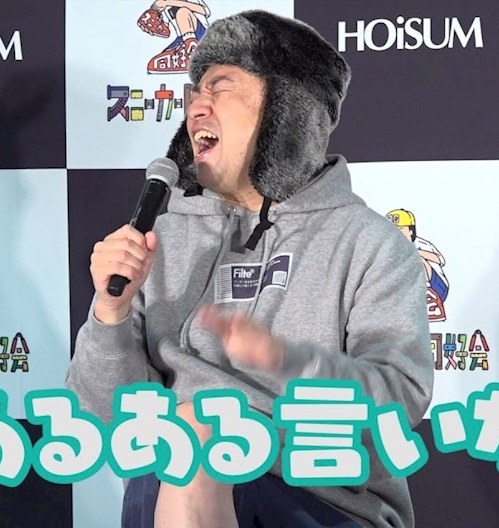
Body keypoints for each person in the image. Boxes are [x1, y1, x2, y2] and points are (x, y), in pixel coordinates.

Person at [65, 9, 434, 528]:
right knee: (186, 445)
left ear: (289, 115)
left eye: (220, 88)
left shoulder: (368, 243)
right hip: (174, 486)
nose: (196, 107)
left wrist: (287, 364)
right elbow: (102, 420)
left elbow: (396, 407)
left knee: (199, 436)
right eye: (195, 92)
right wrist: (111, 312)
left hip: (326, 502)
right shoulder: (159, 241)